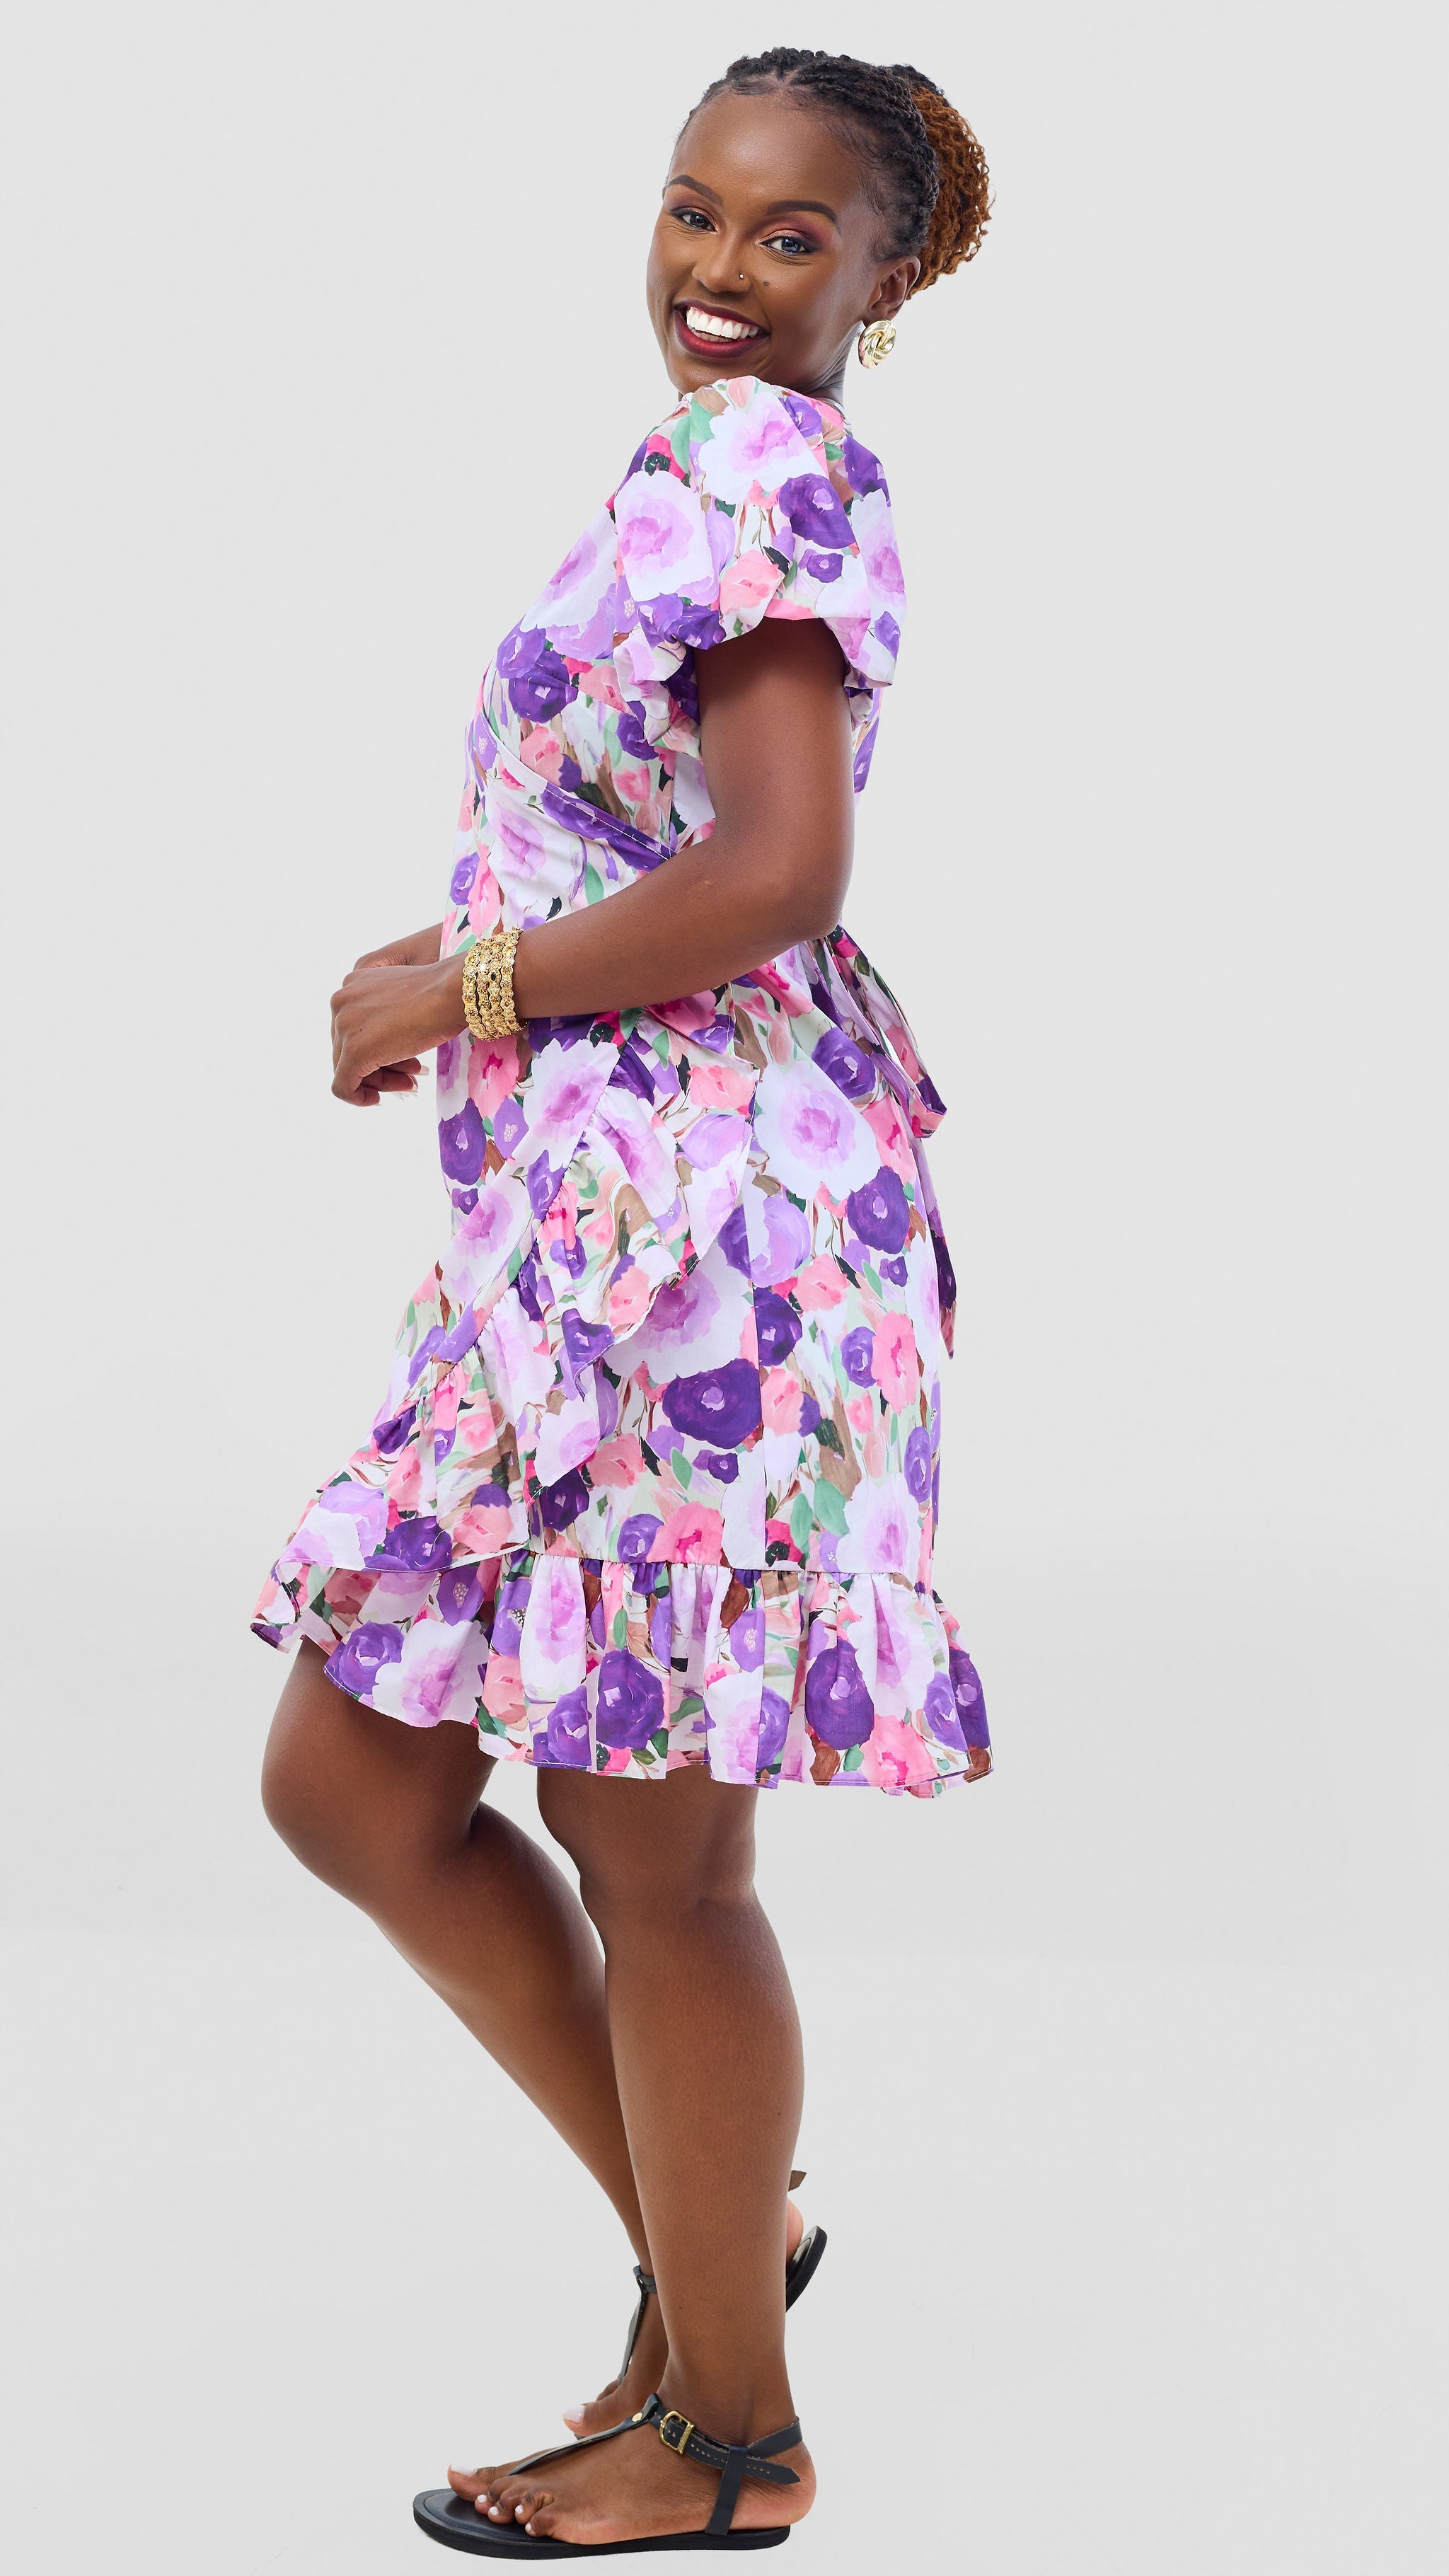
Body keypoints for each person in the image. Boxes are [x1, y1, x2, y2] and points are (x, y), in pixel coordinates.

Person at [255, 46, 992, 2558]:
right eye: (695, 210)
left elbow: (781, 868)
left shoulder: (766, 469)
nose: (720, 270)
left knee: (652, 1852)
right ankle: (720, 2240)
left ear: (887, 274)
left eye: (793, 236)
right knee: (355, 1783)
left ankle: (731, 2438)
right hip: (604, 1233)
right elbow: (652, 836)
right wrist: (472, 967)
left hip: (717, 1263)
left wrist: (468, 985)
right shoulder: (705, 462)